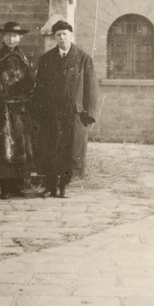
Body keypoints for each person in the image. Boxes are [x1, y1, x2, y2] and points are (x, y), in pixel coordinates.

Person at [32, 20, 98, 198]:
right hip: (51, 114)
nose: (62, 37)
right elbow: (40, 88)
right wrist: (38, 112)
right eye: (58, 35)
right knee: (50, 149)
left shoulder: (83, 58)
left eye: (65, 34)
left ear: (71, 35)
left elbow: (91, 88)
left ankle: (63, 187)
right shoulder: (46, 59)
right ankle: (50, 186)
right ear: (54, 38)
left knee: (70, 151)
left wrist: (89, 115)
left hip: (74, 114)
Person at [0, 21, 34, 199]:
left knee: (20, 144)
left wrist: (29, 96)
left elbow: (29, 81)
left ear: (19, 38)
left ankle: (17, 185)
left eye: (15, 36)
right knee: (3, 146)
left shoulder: (24, 59)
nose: (11, 39)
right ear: (3, 37)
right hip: (2, 106)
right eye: (8, 36)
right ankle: (5, 187)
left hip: (20, 107)